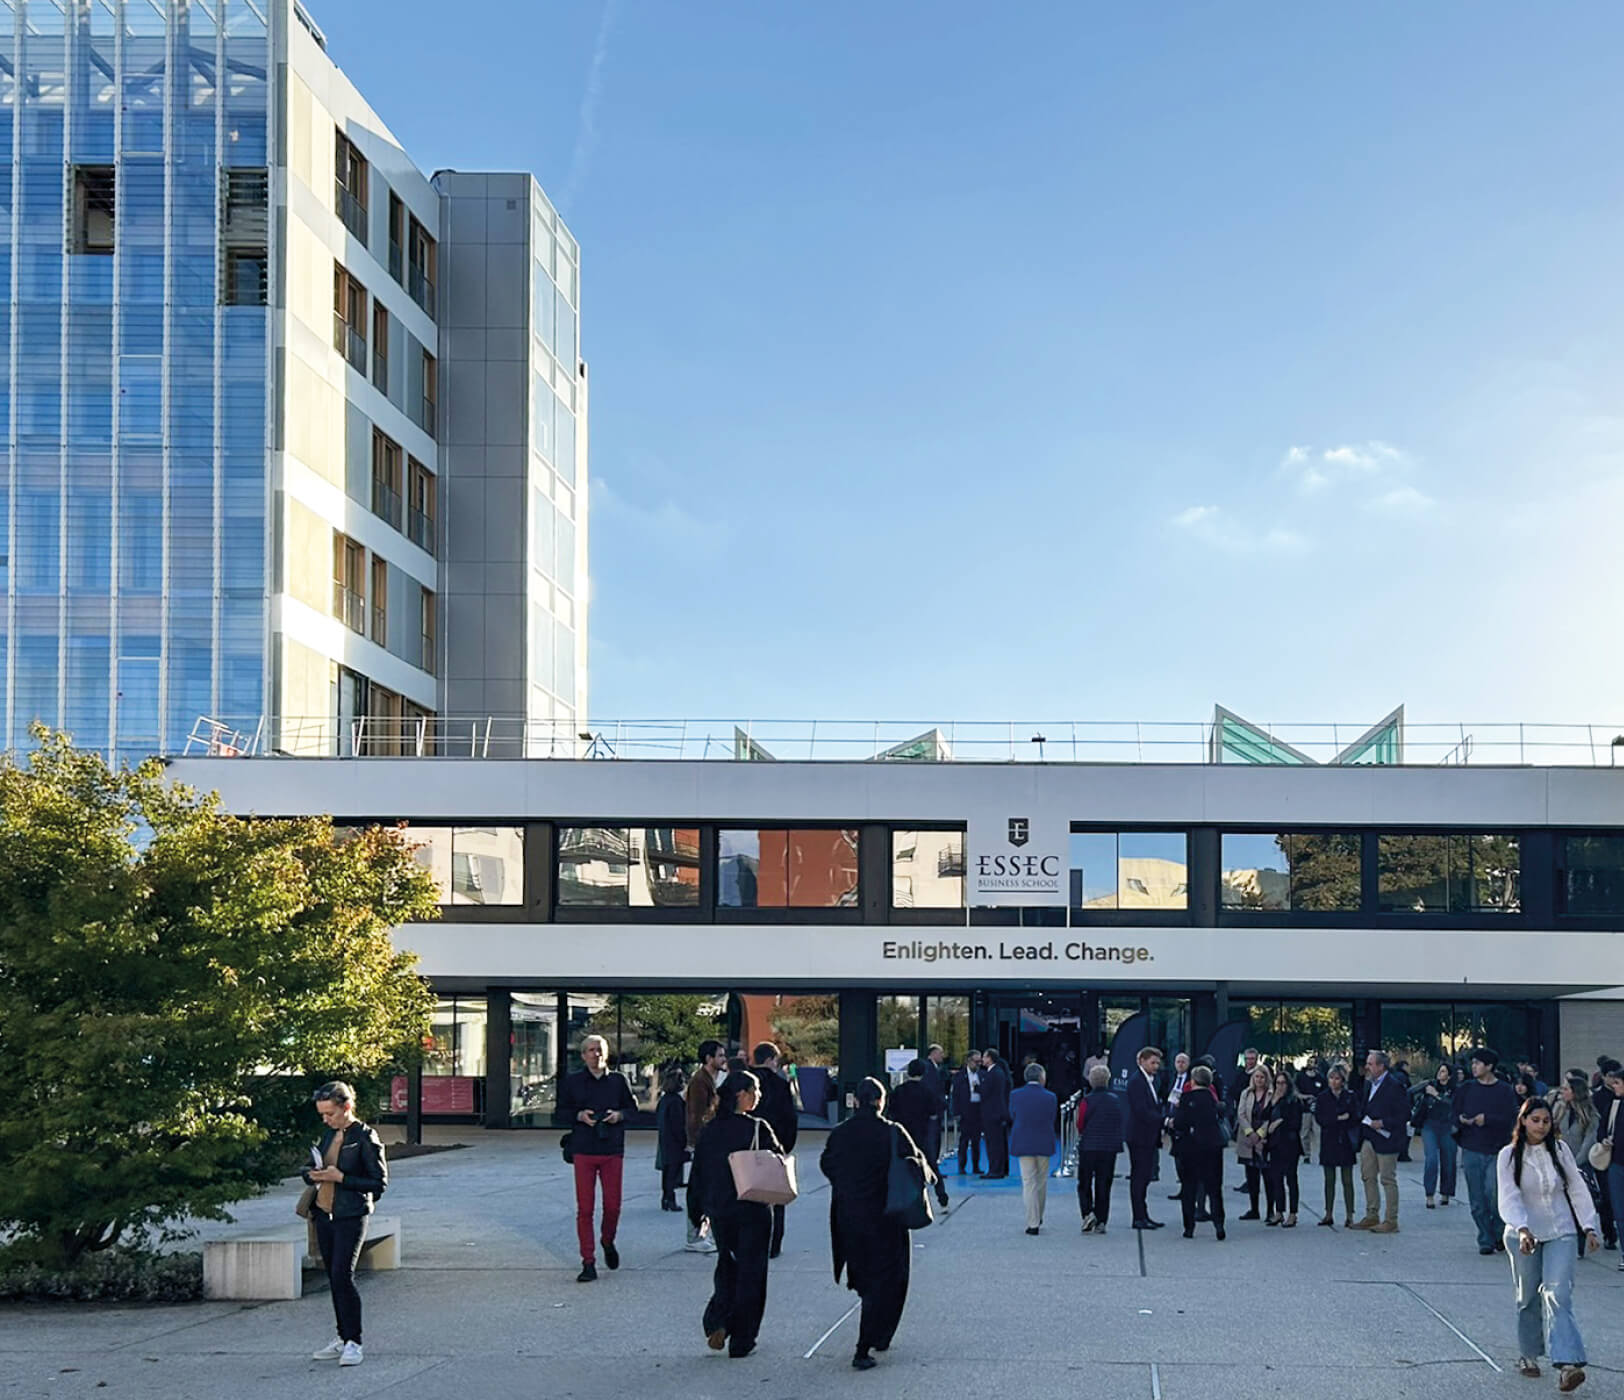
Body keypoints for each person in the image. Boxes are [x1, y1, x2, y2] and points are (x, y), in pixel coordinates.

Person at [820, 1077, 927, 1372]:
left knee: (865, 1275)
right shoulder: (892, 1132)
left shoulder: (841, 1133)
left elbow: (827, 1164)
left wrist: (847, 1184)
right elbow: (916, 1162)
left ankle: (873, 1333)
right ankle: (868, 1342)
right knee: (888, 1278)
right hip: (886, 1215)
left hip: (850, 1214)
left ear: (855, 1101)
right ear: (881, 1101)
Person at [1498, 1098, 1601, 1390]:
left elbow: (1577, 1188)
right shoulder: (1508, 1155)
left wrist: (1589, 1226)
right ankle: (1529, 1354)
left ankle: (1568, 1364)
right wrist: (1522, 1228)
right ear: (1523, 1121)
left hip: (1561, 1230)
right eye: (1535, 1120)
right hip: (1524, 1233)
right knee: (1528, 1296)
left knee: (1558, 1294)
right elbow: (1508, 1195)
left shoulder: (1560, 1150)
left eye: (1546, 1121)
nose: (1541, 1126)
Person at [687, 1070, 783, 1359]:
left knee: (727, 1265)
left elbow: (698, 1174)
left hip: (720, 1209)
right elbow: (777, 1158)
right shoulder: (757, 1127)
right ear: (741, 1094)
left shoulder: (711, 1129)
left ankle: (717, 1319)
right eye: (754, 1091)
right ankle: (743, 1338)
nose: (758, 1096)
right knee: (752, 1272)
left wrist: (697, 1212)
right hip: (753, 1207)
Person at [303, 1081, 388, 1368]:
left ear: (347, 1107)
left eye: (330, 1114)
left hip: (351, 1215)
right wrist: (311, 1174)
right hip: (324, 1213)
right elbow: (312, 1167)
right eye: (322, 1115)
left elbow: (379, 1182)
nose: (326, 1120)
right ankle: (342, 1336)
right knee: (333, 1277)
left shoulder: (365, 1137)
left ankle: (354, 1341)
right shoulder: (328, 1136)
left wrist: (342, 1179)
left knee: (343, 1276)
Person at [556, 1033, 638, 1282]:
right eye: (591, 1050)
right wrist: (579, 1115)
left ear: (606, 1053)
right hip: (583, 1148)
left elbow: (634, 1111)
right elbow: (559, 1113)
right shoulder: (573, 1082)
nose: (596, 1054)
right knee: (585, 1209)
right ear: (583, 1055)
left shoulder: (618, 1081)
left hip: (612, 1149)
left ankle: (607, 1240)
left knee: (613, 1206)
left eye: (600, 1050)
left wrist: (619, 1116)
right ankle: (588, 1262)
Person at [1456, 1047, 1521, 1255]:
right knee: (1476, 1198)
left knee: (1493, 1194)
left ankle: (1497, 1230)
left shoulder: (1504, 1090)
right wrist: (1461, 1120)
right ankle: (1485, 1238)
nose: (1474, 1067)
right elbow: (1454, 1111)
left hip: (1496, 1149)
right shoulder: (1466, 1088)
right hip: (1471, 1147)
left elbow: (1512, 1119)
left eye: (1478, 1063)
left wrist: (1489, 1119)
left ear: (1489, 1066)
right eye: (1472, 1063)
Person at [751, 1042, 800, 1255]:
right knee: (776, 1196)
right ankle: (774, 1243)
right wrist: (784, 1146)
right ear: (771, 1060)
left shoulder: (744, 1081)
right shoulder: (780, 1085)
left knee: (747, 1193)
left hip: (747, 1147)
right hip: (774, 1146)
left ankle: (750, 1241)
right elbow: (790, 1119)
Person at [1352, 1049, 1407, 1234]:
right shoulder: (1369, 1084)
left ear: (1381, 1066)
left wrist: (1383, 1123)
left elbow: (1404, 1114)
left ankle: (1391, 1219)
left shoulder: (1394, 1085)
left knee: (1387, 1179)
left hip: (1386, 1138)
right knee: (1367, 1176)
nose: (1367, 1067)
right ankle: (1371, 1214)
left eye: (1371, 1063)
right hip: (1369, 1135)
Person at [1170, 1065, 1226, 1240]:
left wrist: (1173, 1122)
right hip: (1212, 1146)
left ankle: (1189, 1227)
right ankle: (1219, 1224)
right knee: (1214, 1188)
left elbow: (1180, 1123)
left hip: (1190, 1147)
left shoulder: (1186, 1099)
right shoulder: (1214, 1101)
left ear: (1193, 1081)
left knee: (1189, 1188)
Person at [684, 1039, 728, 1252]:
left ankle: (703, 1234)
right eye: (720, 1055)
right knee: (701, 1189)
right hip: (704, 1143)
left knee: (710, 1188)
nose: (723, 1059)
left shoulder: (713, 1079)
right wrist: (696, 1143)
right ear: (709, 1059)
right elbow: (695, 1115)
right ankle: (695, 1236)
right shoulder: (700, 1081)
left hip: (712, 1141)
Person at [889, 1060, 947, 1209]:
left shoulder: (899, 1091)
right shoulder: (927, 1091)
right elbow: (933, 1113)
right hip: (922, 1134)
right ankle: (941, 1195)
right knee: (932, 1165)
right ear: (923, 1073)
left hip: (903, 1134)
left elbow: (891, 1114)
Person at [1009, 1062, 1058, 1234]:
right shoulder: (1051, 1097)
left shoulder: (1015, 1095)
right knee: (1041, 1181)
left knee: (1028, 1182)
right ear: (1042, 1077)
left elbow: (1012, 1114)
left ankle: (1032, 1221)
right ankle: (1039, 1214)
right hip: (1044, 1140)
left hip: (1023, 1140)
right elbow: (1052, 1117)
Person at [1076, 1063, 1124, 1234]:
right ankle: (1102, 1219)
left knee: (1085, 1182)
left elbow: (1080, 1124)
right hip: (1108, 1147)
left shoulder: (1087, 1101)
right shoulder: (1115, 1100)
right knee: (1104, 1183)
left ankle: (1087, 1212)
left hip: (1089, 1146)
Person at [1126, 1045, 1165, 1230]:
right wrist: (1163, 1120)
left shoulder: (1151, 1081)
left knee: (1144, 1176)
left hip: (1148, 1136)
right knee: (1139, 1176)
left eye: (1157, 1063)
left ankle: (1143, 1214)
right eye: (1153, 1062)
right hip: (1139, 1136)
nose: (1156, 1066)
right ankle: (1138, 1216)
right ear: (1142, 1061)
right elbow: (1141, 1110)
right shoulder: (1136, 1082)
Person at [1314, 1063, 1358, 1227]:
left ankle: (1349, 1214)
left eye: (1337, 1078)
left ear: (1343, 1080)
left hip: (1345, 1139)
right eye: (1331, 1078)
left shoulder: (1349, 1096)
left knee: (1347, 1180)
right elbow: (1320, 1118)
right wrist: (1338, 1118)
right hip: (1329, 1139)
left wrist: (1343, 1119)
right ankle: (1328, 1213)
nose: (1333, 1081)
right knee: (1329, 1179)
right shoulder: (1323, 1097)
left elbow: (1355, 1116)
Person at [1261, 1068, 1304, 1227]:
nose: (1280, 1086)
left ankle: (1293, 1213)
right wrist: (1272, 1102)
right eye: (1277, 1083)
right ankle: (1279, 1211)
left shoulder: (1294, 1101)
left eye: (1283, 1083)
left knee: (1291, 1179)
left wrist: (1280, 1122)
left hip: (1290, 1144)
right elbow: (1263, 1116)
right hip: (1275, 1145)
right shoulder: (1274, 1100)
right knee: (1276, 1178)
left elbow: (1295, 1123)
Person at [1412, 1062, 1459, 1209]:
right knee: (1431, 1159)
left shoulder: (1455, 1090)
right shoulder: (1430, 1085)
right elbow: (1410, 1092)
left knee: (1449, 1160)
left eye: (1444, 1071)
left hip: (1447, 1126)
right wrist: (1423, 1087)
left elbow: (1453, 1105)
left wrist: (1436, 1095)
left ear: (1449, 1075)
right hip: (1430, 1125)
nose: (1440, 1074)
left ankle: (1446, 1193)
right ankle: (1429, 1194)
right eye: (1439, 1071)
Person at [1235, 1066, 1272, 1221]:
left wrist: (1260, 1133)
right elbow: (1241, 1113)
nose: (1259, 1080)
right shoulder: (1246, 1093)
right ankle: (1254, 1209)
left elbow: (1272, 1115)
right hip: (1248, 1139)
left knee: (1269, 1177)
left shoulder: (1271, 1094)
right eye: (1256, 1077)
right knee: (1251, 1177)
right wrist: (1249, 1132)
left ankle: (1271, 1211)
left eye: (1262, 1077)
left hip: (1265, 1139)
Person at [1597, 1063, 1624, 1273]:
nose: (1614, 1086)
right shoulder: (1613, 1105)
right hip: (1615, 1163)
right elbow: (1602, 1129)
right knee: (1619, 1210)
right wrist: (1605, 1140)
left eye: (1618, 1083)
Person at [656, 1067, 689, 1211]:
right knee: (673, 1172)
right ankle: (670, 1199)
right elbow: (678, 1124)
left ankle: (665, 1198)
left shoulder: (664, 1100)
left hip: (665, 1139)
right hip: (675, 1141)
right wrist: (684, 1141)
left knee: (667, 1171)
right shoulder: (676, 1101)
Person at [950, 1050, 985, 1177]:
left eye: (980, 1062)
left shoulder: (982, 1074)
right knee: (964, 1140)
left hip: (978, 1109)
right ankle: (962, 1166)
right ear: (969, 1061)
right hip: (966, 1109)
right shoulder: (960, 1076)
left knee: (976, 1140)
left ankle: (976, 1166)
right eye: (976, 1062)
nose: (978, 1064)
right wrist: (956, 1112)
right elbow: (955, 1095)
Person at [980, 1048, 1012, 1179]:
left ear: (990, 1058)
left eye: (984, 1057)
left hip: (992, 1113)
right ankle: (1001, 1168)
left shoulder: (993, 1073)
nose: (982, 1059)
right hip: (998, 1112)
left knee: (993, 1143)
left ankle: (995, 1169)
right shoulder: (999, 1072)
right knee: (1000, 1141)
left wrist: (978, 1087)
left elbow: (986, 1092)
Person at [921, 1044, 949, 1191]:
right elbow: (931, 1089)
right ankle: (931, 1168)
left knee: (936, 1139)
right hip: (931, 1111)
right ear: (932, 1054)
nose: (942, 1056)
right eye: (940, 1053)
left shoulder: (936, 1069)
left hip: (937, 1110)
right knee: (931, 1140)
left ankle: (934, 1165)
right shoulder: (928, 1069)